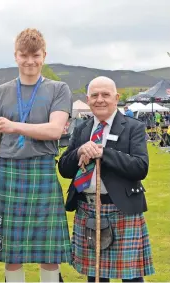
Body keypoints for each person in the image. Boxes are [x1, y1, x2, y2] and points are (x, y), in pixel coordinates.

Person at [0, 28, 72, 282]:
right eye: (24, 55)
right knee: (12, 253)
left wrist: (13, 126)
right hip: (8, 173)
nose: (30, 61)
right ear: (15, 56)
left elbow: (54, 130)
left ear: (44, 55)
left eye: (36, 55)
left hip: (42, 171)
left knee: (50, 254)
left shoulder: (59, 89)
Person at [58, 76, 155, 282]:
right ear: (88, 99)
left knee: (131, 277)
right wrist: (79, 152)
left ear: (116, 97)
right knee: (95, 277)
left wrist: (104, 152)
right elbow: (64, 169)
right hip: (88, 208)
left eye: (105, 94)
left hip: (122, 209)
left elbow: (140, 167)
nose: (99, 99)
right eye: (94, 95)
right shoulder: (82, 129)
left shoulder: (133, 127)